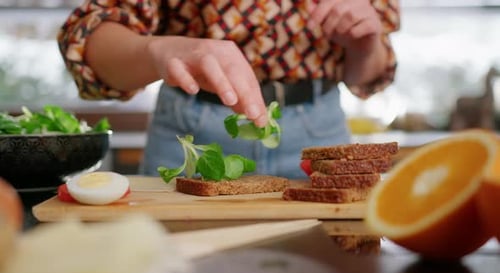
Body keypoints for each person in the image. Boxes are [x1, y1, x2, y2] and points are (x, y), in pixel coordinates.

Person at [57, 0, 400, 179]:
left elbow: (366, 78)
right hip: (191, 132)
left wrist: (366, 44)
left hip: (320, 132)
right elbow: (88, 38)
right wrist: (157, 50)